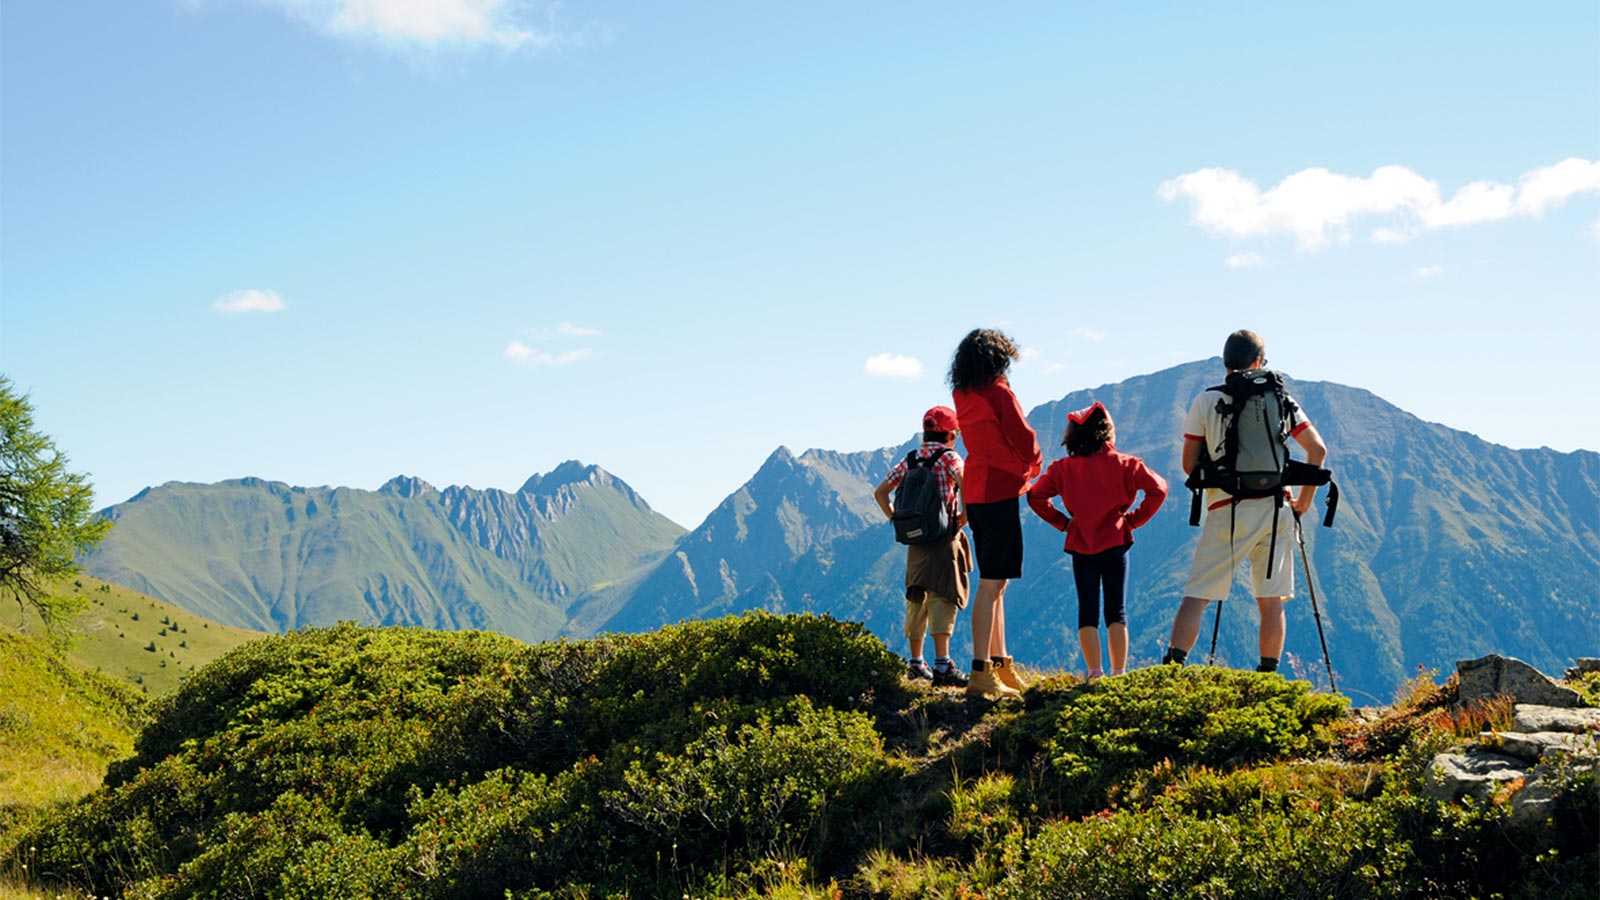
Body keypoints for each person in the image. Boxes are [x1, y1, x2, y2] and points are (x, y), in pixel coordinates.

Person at [1162, 329, 1328, 673]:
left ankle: (1172, 670)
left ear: (1226, 363)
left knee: (1197, 595)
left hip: (1227, 508)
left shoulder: (1207, 400)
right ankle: (1267, 676)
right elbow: (1317, 450)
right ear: (1258, 362)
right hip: (1278, 508)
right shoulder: (1281, 398)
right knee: (1271, 601)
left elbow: (1189, 464)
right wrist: (1303, 503)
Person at [1027, 401, 1167, 680]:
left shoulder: (1062, 469)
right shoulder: (1127, 464)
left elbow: (1035, 496)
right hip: (1116, 539)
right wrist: (1133, 520)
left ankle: (1094, 672)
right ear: (1106, 432)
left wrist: (1064, 523)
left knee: (1087, 609)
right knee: (1117, 609)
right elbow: (1159, 489)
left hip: (1081, 543)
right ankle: (1119, 673)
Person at [949, 328, 1042, 698]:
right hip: (1001, 488)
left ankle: (1001, 665)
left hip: (977, 488)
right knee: (991, 586)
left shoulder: (962, 394)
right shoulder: (999, 393)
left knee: (996, 581)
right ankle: (982, 671)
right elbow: (1023, 438)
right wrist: (1034, 465)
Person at [873, 406, 971, 688]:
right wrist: (965, 515)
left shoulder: (911, 459)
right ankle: (943, 665)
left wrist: (896, 520)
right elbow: (966, 482)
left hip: (915, 540)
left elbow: (880, 492)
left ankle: (916, 663)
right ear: (951, 434)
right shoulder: (950, 457)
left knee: (916, 596)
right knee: (943, 594)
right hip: (943, 537)